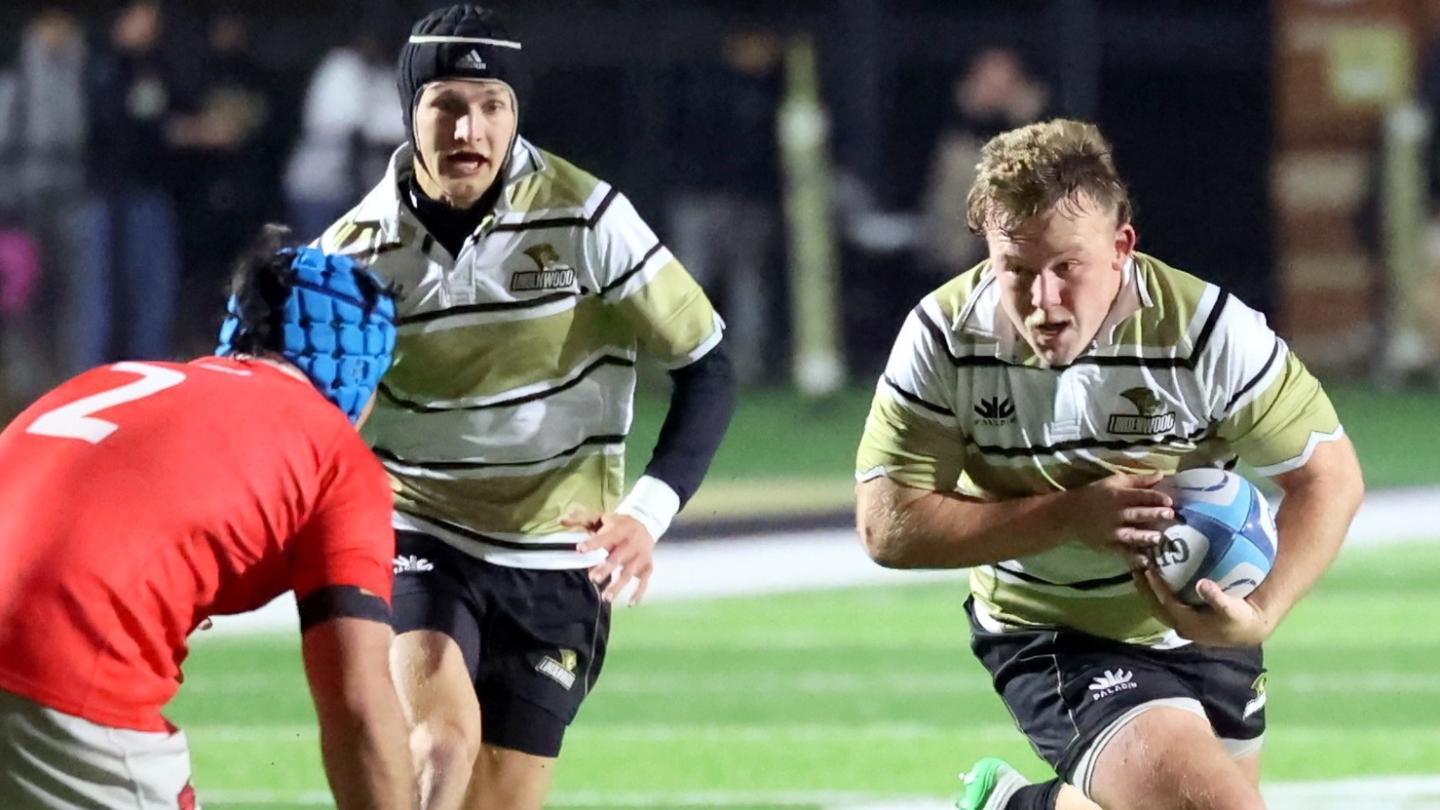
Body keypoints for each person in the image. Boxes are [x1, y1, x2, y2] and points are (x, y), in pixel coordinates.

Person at [853, 119, 1365, 810]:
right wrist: (1067, 516)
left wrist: (1263, 612)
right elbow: (888, 528)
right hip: (1055, 635)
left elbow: (1328, 476)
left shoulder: (1204, 331)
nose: (1044, 301)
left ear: (1121, 247)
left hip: (1202, 618)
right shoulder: (945, 338)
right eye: (1019, 271)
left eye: (1067, 267)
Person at [316, 5, 735, 809]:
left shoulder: (587, 217)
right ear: (410, 110)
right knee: (440, 741)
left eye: (492, 104)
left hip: (557, 553)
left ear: (515, 112)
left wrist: (646, 514)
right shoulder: (353, 251)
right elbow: (316, 421)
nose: (469, 127)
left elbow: (708, 366)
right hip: (422, 529)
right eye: (445, 103)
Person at [0, 232, 415, 809]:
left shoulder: (123, 377)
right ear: (361, 373)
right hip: (59, 667)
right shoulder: (332, 452)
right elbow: (359, 708)